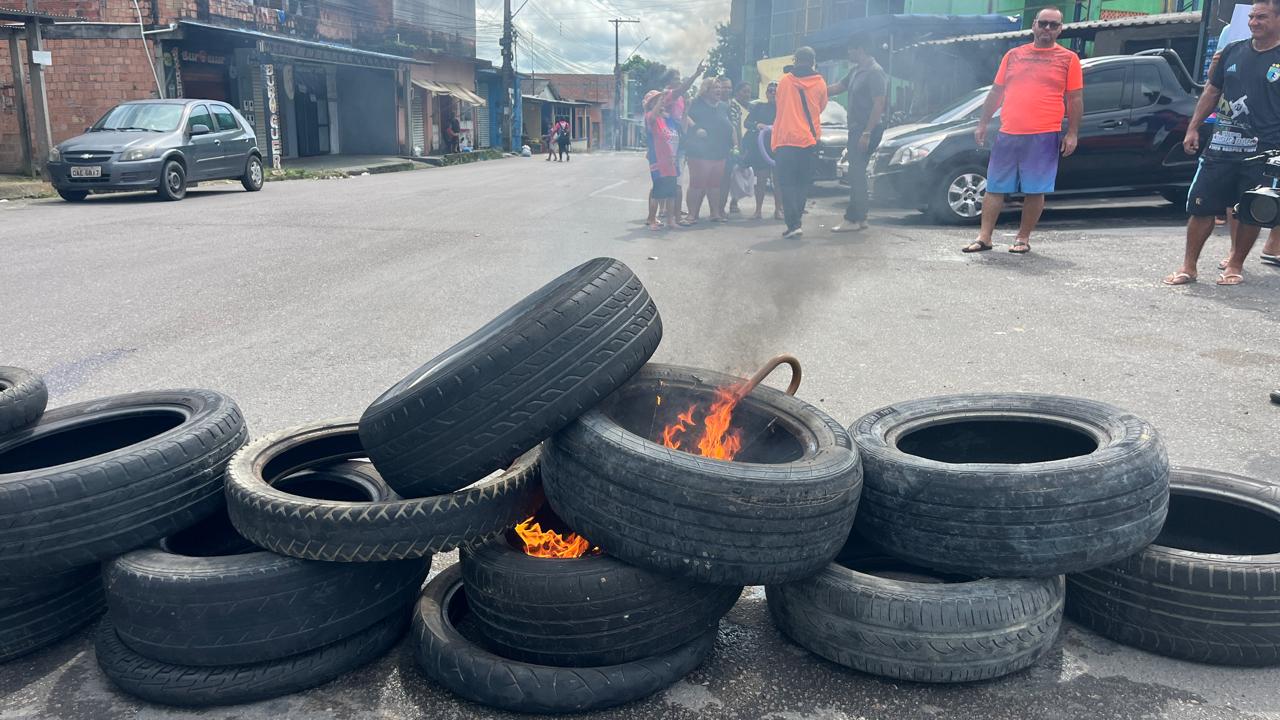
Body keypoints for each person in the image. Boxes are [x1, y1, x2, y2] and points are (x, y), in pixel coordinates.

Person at [1164, 0, 1280, 286]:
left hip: (1263, 151)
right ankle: (1188, 267)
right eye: (1252, 16)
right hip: (1220, 146)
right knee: (1200, 206)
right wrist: (1193, 128)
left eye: (1262, 17)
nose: (1254, 22)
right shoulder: (1232, 51)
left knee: (1251, 210)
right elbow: (1211, 92)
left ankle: (1235, 265)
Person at [964, 7, 1082, 255]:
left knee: (1035, 189)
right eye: (1043, 24)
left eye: (1053, 25)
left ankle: (1022, 238)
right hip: (1009, 132)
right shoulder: (1014, 55)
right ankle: (984, 237)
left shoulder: (1069, 59)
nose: (1047, 29)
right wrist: (983, 122)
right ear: (1034, 25)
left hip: (1044, 133)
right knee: (995, 186)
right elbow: (996, 92)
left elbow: (1075, 99)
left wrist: (1072, 132)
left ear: (1060, 29)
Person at [827, 34, 888, 233]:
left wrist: (867, 133)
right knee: (857, 174)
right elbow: (837, 88)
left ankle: (852, 218)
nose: (848, 53)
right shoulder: (855, 71)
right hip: (856, 129)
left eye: (850, 50)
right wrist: (814, 89)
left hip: (867, 129)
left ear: (860, 50)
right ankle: (861, 217)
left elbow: (879, 104)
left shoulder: (875, 72)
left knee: (856, 174)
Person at [772, 47, 828, 238]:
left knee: (786, 184)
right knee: (802, 184)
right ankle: (797, 222)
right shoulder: (820, 83)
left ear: (796, 60)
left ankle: (793, 224)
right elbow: (820, 108)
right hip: (808, 141)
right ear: (813, 61)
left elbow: (779, 105)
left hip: (786, 140)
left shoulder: (785, 82)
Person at [684, 76, 734, 223]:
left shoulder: (724, 106)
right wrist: (696, 128)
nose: (719, 90)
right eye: (715, 87)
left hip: (720, 151)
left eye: (719, 87)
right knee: (697, 184)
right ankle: (691, 215)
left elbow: (730, 126)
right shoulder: (695, 103)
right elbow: (685, 116)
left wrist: (735, 144)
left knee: (715, 185)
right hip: (699, 152)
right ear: (706, 90)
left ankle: (715, 214)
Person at [743, 81, 782, 219]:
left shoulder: (785, 108)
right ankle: (758, 210)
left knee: (778, 182)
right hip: (761, 149)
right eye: (770, 91)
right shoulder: (759, 107)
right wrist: (757, 124)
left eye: (775, 91)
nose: (772, 93)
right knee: (761, 181)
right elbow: (746, 123)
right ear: (766, 93)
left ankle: (778, 210)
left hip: (779, 149)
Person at [644, 90, 681, 230]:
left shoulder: (668, 119)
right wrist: (659, 102)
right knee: (658, 192)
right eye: (657, 100)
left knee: (671, 192)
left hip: (671, 160)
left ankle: (670, 220)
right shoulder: (650, 117)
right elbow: (652, 116)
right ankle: (653, 220)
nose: (662, 102)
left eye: (662, 100)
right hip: (658, 160)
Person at [722, 81, 754, 215]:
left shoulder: (751, 108)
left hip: (744, 143)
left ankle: (734, 201)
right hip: (729, 144)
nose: (747, 94)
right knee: (726, 175)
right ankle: (719, 207)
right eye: (744, 91)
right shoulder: (730, 105)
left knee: (739, 173)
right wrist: (735, 145)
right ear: (737, 92)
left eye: (749, 92)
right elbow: (733, 127)